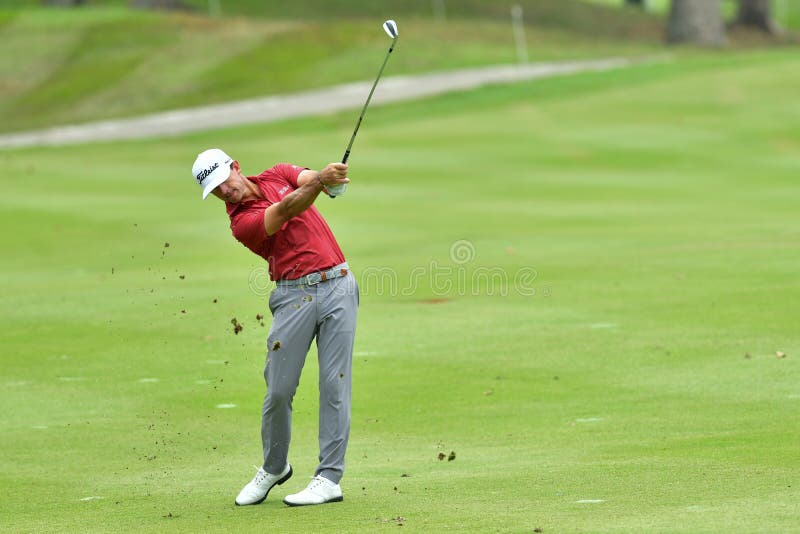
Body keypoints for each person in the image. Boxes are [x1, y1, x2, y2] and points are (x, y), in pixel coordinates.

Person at [191, 148, 359, 507]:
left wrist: (332, 182)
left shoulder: (278, 173)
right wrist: (322, 181)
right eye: (215, 191)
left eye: (224, 181)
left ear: (235, 167)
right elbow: (287, 209)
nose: (224, 192)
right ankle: (274, 466)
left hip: (339, 285)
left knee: (335, 384)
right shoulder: (241, 223)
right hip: (293, 295)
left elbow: (312, 181)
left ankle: (329, 478)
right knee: (279, 390)